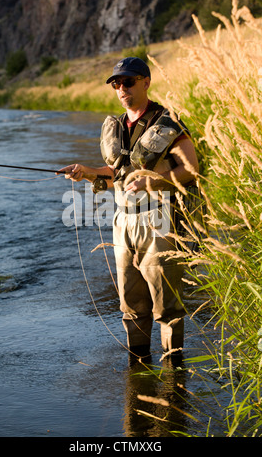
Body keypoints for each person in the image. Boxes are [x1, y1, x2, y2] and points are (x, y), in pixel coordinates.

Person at [58, 57, 199, 360]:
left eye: (129, 81)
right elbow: (114, 175)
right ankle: (139, 369)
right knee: (131, 303)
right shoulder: (118, 126)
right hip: (122, 220)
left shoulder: (168, 121)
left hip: (160, 218)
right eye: (116, 83)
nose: (122, 88)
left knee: (166, 304)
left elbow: (190, 170)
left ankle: (174, 374)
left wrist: (153, 183)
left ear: (146, 82)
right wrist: (87, 172)